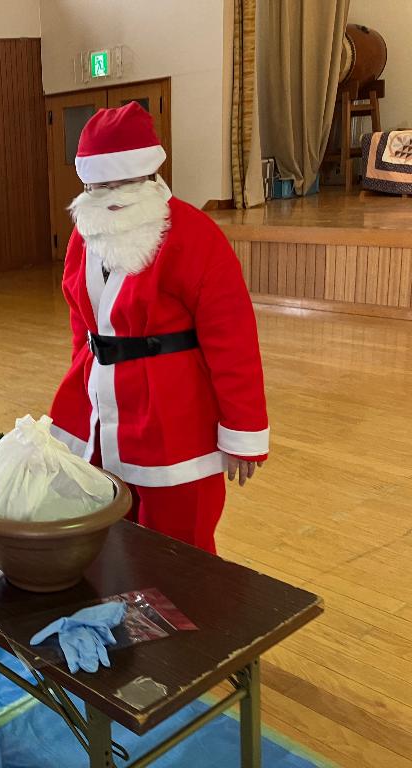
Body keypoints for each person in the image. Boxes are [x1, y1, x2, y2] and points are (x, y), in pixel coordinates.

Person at [50, 101, 269, 554]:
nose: (111, 195)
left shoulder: (194, 234)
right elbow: (81, 326)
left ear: (149, 175)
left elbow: (233, 339)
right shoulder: (84, 235)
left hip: (176, 421)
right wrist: (79, 392)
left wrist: (242, 431)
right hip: (103, 415)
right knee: (110, 541)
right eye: (99, 186)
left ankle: (186, 605)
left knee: (179, 552)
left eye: (123, 183)